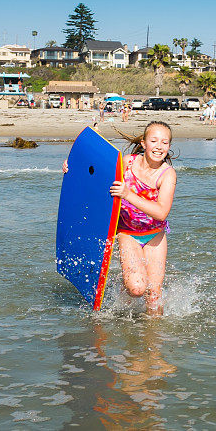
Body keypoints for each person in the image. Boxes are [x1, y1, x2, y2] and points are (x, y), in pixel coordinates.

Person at [63, 121, 177, 314]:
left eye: (164, 143)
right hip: (128, 233)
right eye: (154, 141)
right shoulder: (127, 162)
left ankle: (153, 338)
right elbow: (95, 176)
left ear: (169, 147)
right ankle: (123, 293)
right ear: (143, 143)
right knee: (137, 289)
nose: (159, 147)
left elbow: (161, 212)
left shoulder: (167, 174)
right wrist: (72, 168)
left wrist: (128, 195)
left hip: (155, 235)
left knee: (154, 295)